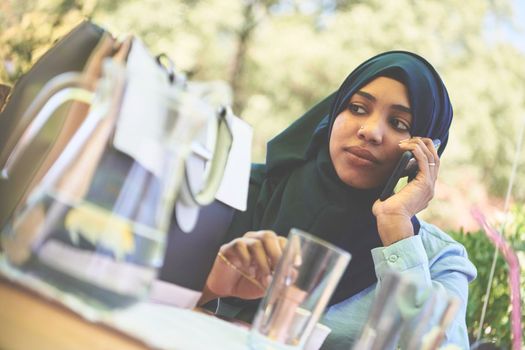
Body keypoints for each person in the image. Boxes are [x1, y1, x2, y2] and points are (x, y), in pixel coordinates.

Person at [199, 51, 477, 349]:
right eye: (357, 108)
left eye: (398, 123)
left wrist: (397, 232)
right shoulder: (237, 189)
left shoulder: (439, 260)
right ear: (333, 113)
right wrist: (211, 285)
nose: (370, 131)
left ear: (422, 154)